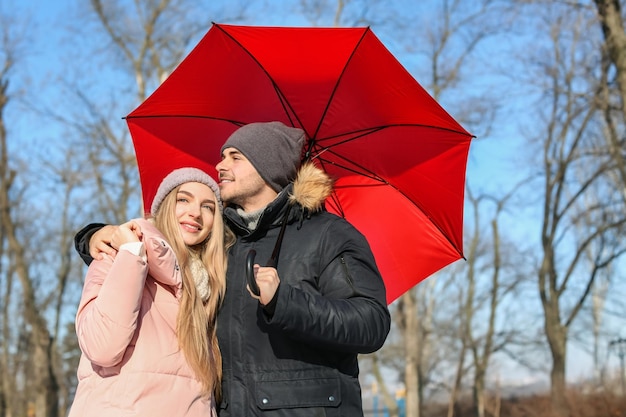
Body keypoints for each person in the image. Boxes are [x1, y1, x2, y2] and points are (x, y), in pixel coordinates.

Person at [75, 121, 391, 416]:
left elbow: (370, 323)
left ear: (268, 167)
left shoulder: (329, 234)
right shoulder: (220, 241)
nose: (220, 166)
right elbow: (162, 246)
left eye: (235, 157)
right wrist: (93, 236)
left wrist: (285, 301)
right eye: (222, 156)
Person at [68, 167, 233, 417]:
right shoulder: (114, 253)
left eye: (208, 207)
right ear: (165, 205)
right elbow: (101, 346)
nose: (195, 213)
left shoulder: (210, 286)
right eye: (183, 199)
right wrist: (132, 256)